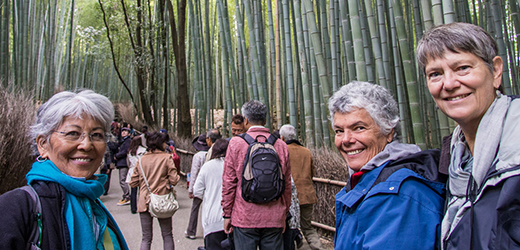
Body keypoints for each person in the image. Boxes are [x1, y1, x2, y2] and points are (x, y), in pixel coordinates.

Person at [416, 22, 520, 249]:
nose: (450, 84)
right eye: (435, 74)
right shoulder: (453, 162)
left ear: (496, 71)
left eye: (463, 68)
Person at [0, 90, 129, 249]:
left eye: (96, 135)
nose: (86, 145)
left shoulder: (95, 206)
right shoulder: (15, 208)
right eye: (73, 133)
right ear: (43, 144)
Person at [329, 81, 446, 249]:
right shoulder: (368, 181)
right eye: (339, 131)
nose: (346, 139)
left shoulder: (400, 195)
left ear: (388, 132)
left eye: (359, 128)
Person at [222, 100, 291, 250]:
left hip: (244, 216)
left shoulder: (236, 144)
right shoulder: (281, 145)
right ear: (265, 120)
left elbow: (229, 182)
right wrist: (284, 213)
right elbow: (287, 185)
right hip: (274, 217)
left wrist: (227, 214)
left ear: (245, 120)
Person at [129, 132, 180, 250]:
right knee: (167, 235)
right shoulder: (167, 158)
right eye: (164, 142)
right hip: (162, 199)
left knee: (146, 237)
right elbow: (174, 180)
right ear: (160, 143)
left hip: (144, 200)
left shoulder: (141, 160)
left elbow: (133, 182)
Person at [279, 124, 322, 250]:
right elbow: (312, 172)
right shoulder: (306, 151)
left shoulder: (282, 151)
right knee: (307, 227)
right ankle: (319, 248)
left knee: (288, 229)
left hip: (290, 197)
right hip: (307, 195)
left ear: (281, 137)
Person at [193, 138, 229, 250]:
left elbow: (197, 191)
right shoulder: (234, 166)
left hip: (212, 219)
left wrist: (208, 195)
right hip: (231, 219)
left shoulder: (207, 167)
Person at [186, 133, 210, 239]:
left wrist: (191, 190)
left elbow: (194, 173)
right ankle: (208, 232)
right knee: (209, 208)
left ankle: (191, 231)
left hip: (199, 186)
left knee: (195, 208)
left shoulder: (198, 156)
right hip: (210, 184)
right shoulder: (212, 153)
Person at [127, 135, 147, 214]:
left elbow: (129, 162)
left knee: (133, 190)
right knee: (142, 190)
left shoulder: (130, 151)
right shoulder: (144, 150)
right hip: (141, 171)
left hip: (132, 170)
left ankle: (133, 207)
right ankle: (142, 205)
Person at [115, 127, 132, 205]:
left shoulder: (128, 141)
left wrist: (117, 156)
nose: (123, 132)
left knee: (123, 180)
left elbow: (126, 151)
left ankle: (127, 196)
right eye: (123, 131)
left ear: (129, 133)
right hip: (121, 162)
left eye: (126, 131)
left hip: (124, 162)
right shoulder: (123, 141)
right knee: (123, 180)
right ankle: (126, 195)